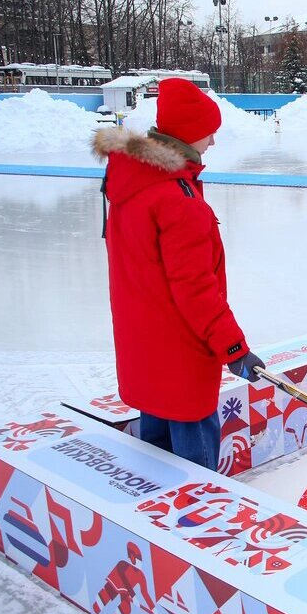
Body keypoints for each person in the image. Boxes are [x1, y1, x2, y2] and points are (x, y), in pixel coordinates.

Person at [92, 77, 265, 471]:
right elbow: (197, 289)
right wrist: (233, 348)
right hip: (180, 352)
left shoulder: (133, 182)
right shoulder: (177, 200)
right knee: (194, 467)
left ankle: (154, 525)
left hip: (144, 344)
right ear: (189, 136)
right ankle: (195, 526)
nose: (213, 143)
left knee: (153, 456)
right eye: (210, 133)